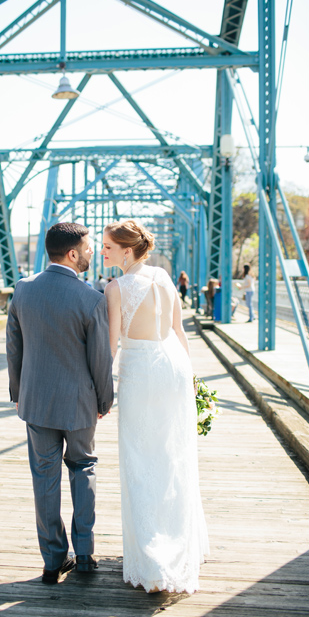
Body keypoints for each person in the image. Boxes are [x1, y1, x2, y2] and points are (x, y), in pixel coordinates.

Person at [102, 219, 209, 593]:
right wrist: (192, 379)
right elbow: (179, 331)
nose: (103, 252)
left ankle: (153, 561)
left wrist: (102, 389)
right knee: (173, 458)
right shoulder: (163, 276)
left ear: (127, 251)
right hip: (175, 368)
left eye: (109, 247)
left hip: (141, 373)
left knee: (140, 462)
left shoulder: (115, 288)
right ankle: (180, 547)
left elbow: (112, 344)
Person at [6, 222, 114, 585]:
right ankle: (84, 554)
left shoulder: (22, 290)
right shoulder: (91, 298)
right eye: (86, 248)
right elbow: (101, 359)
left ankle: (53, 560)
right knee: (83, 468)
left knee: (44, 478)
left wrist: (20, 394)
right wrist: (104, 398)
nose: (90, 253)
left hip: (36, 402)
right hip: (80, 403)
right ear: (72, 253)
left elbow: (14, 348)